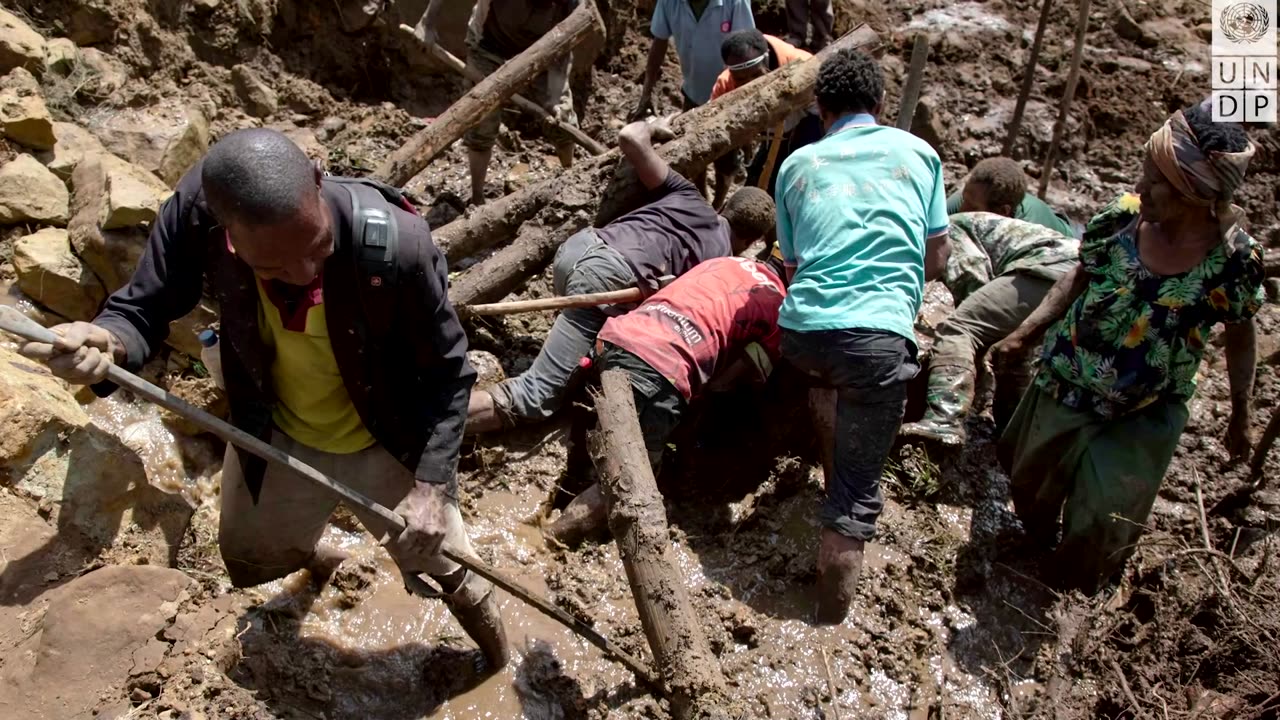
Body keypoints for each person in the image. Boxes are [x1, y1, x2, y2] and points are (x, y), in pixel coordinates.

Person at [17, 130, 511, 672]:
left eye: (318, 248)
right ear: (229, 236)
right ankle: (322, 563)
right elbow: (143, 309)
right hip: (275, 433)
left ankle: (497, 662)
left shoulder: (397, 244)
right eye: (273, 268)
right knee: (250, 557)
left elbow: (448, 374)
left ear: (319, 184)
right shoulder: (198, 214)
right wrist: (105, 343)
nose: (304, 275)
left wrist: (432, 488)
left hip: (388, 437)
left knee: (450, 565)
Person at [993, 104, 1261, 593]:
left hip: (1145, 406)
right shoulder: (1122, 218)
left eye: (1154, 182)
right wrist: (1025, 334)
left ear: (1194, 194)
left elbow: (1241, 332)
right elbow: (1079, 277)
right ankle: (1032, 549)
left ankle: (1069, 597)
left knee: (1102, 520)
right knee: (1028, 486)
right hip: (1069, 377)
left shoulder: (1233, 261)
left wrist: (1240, 412)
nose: (1140, 189)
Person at [773, 49, 950, 624]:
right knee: (855, 497)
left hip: (801, 336)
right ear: (878, 106)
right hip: (875, 340)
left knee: (832, 374)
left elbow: (795, 269)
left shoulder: (796, 165)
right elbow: (938, 258)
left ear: (821, 109)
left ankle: (828, 453)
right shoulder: (920, 153)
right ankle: (828, 623)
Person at [467, 117, 777, 432]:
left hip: (578, 249)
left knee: (586, 360)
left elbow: (630, 136)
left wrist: (654, 126)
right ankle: (430, 423)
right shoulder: (719, 267)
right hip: (603, 284)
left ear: (724, 209)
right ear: (750, 242)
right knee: (536, 397)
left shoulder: (687, 195)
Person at [545, 255, 788, 546]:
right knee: (628, 482)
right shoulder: (782, 308)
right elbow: (726, 382)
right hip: (659, 369)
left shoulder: (726, 261)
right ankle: (548, 541)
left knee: (608, 442)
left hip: (615, 338)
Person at [899, 213, 1079, 446]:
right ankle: (1013, 441)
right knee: (1014, 354)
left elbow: (972, 279)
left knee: (960, 329)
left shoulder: (949, 229)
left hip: (1052, 269)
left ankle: (944, 420)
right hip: (1081, 274)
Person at [415, 0, 579, 205]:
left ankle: (572, 181)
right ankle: (477, 199)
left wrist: (555, 96)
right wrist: (427, 23)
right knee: (482, 118)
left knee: (562, 120)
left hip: (545, 48)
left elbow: (567, 37)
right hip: (488, 44)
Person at [709, 29, 822, 205]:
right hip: (768, 133)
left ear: (767, 58)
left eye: (756, 75)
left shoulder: (804, 67)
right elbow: (711, 127)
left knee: (792, 181)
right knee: (756, 185)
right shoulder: (726, 84)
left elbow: (824, 118)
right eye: (741, 79)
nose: (751, 84)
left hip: (805, 123)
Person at [634, 0, 755, 118]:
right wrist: (646, 93)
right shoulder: (669, 3)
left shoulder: (736, 3)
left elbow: (746, 56)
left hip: (728, 101)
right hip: (692, 97)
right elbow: (659, 43)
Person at [946, 157, 1076, 237]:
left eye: (972, 207)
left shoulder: (1027, 231)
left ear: (1003, 212)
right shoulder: (970, 198)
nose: (962, 209)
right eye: (965, 199)